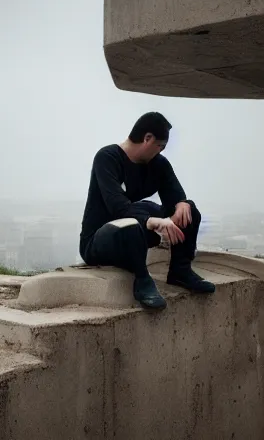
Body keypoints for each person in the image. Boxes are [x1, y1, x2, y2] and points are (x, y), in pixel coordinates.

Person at [79, 112, 215, 310]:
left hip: (135, 228)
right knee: (131, 225)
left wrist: (182, 203)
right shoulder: (107, 158)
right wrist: (151, 221)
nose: (161, 151)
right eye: (159, 146)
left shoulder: (158, 164)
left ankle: (181, 271)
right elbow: (118, 207)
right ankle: (142, 280)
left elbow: (174, 195)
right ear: (147, 138)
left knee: (189, 211)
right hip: (101, 238)